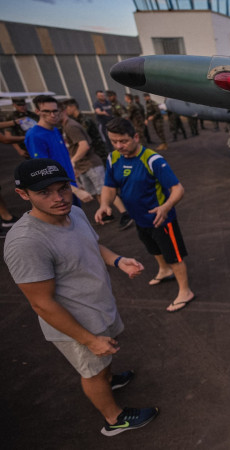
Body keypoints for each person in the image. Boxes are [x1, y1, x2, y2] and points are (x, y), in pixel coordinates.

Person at [4, 158, 159, 436]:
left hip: (98, 308)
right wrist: (89, 340)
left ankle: (108, 377)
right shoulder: (26, 242)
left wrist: (118, 260)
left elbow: (92, 245)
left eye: (63, 188)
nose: (59, 198)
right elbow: (41, 303)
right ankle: (115, 420)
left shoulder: (73, 212)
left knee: (103, 365)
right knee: (92, 372)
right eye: (44, 193)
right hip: (77, 326)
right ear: (23, 194)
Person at [94, 118, 194, 312]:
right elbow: (109, 185)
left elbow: (178, 189)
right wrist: (104, 204)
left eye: (123, 141)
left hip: (162, 219)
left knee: (174, 256)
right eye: (114, 142)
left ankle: (185, 291)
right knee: (153, 248)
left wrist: (165, 207)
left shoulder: (152, 160)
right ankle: (164, 271)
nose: (118, 146)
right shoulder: (113, 158)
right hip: (139, 218)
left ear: (136, 137)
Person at [61, 98, 132, 229]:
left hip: (90, 162)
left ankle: (125, 213)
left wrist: (72, 161)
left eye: (57, 111)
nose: (53, 116)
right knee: (97, 191)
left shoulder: (73, 125)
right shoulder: (67, 125)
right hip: (84, 164)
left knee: (106, 187)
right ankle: (107, 212)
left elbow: (85, 145)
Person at [24, 95, 88, 207]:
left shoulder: (55, 130)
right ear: (37, 111)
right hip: (59, 194)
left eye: (55, 111)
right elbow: (44, 172)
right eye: (47, 111)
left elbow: (63, 158)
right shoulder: (34, 136)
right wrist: (76, 191)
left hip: (69, 186)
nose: (52, 115)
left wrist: (75, 182)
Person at [93, 90, 114, 154]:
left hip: (111, 122)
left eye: (103, 95)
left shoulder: (108, 102)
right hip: (103, 124)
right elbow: (98, 111)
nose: (103, 96)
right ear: (97, 96)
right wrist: (103, 113)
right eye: (101, 96)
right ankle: (109, 152)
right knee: (105, 138)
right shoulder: (97, 104)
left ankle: (114, 150)